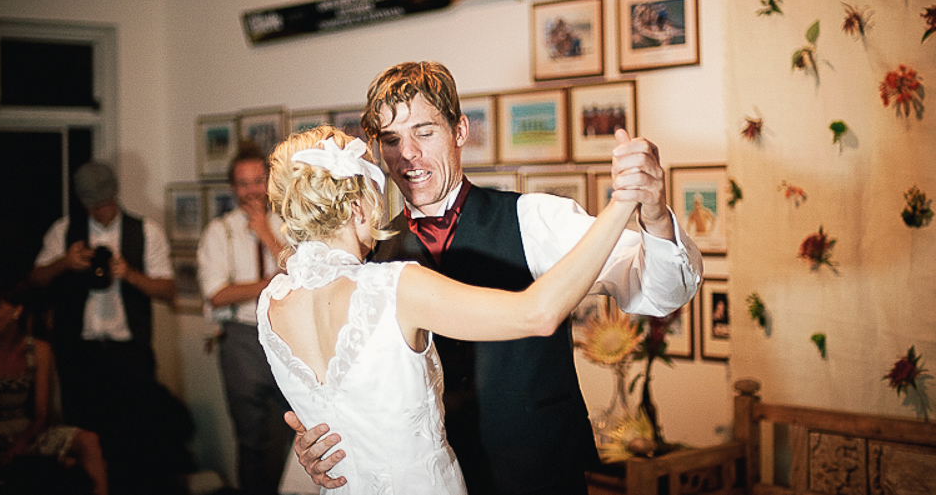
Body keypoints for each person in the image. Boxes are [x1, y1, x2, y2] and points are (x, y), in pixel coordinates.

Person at [287, 61, 703, 495]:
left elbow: (660, 292)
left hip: (540, 475)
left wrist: (654, 214)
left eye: (424, 132)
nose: (408, 154)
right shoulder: (365, 256)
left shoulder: (534, 218)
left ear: (460, 131)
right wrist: (324, 442)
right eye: (392, 140)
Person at [257, 125, 639, 494]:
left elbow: (331, 417)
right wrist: (621, 204)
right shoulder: (393, 285)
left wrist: (309, 445)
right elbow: (538, 313)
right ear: (356, 208)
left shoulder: (271, 303)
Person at [29, 161, 193, 495]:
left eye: (105, 203)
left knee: (136, 441)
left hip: (129, 355)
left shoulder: (145, 231)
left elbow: (168, 290)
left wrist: (129, 274)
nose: (100, 211)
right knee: (86, 440)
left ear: (116, 194)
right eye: (92, 205)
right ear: (82, 202)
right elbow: (35, 279)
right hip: (79, 354)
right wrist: (64, 263)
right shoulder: (65, 231)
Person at [0, 277, 108, 495]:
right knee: (63, 470)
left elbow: (40, 414)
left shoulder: (38, 349)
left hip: (25, 435)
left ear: (17, 310)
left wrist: (20, 445)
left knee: (88, 442)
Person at [197, 140, 295, 495]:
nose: (252, 190)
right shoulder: (219, 231)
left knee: (300, 427)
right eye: (243, 183)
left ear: (269, 181)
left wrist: (266, 232)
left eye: (258, 181)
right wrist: (269, 283)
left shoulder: (289, 224)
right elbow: (217, 293)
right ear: (232, 187)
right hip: (241, 339)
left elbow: (299, 275)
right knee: (251, 437)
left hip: (288, 334)